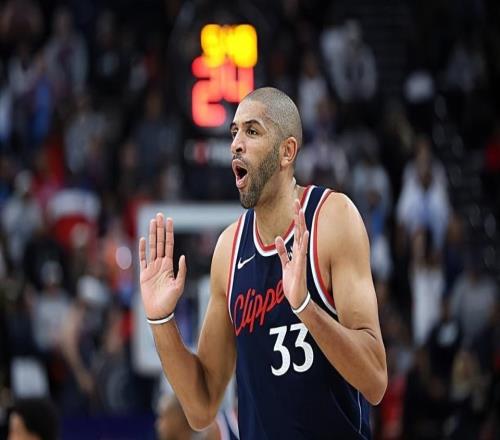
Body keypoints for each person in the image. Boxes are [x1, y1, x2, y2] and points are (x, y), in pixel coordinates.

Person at [139, 87, 387, 438]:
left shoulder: (332, 219)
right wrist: (160, 320)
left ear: (287, 151)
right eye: (234, 132)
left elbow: (375, 381)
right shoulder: (229, 249)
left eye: (252, 131)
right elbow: (202, 406)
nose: (236, 144)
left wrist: (305, 307)